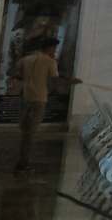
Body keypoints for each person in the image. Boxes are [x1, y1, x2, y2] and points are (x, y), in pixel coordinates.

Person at [14, 38, 71, 171]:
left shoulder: (26, 59)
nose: (55, 51)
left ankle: (22, 160)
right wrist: (71, 81)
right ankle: (24, 163)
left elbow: (17, 75)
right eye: (54, 48)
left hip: (26, 98)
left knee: (25, 132)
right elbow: (55, 81)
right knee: (31, 132)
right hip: (39, 100)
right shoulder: (50, 62)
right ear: (49, 48)